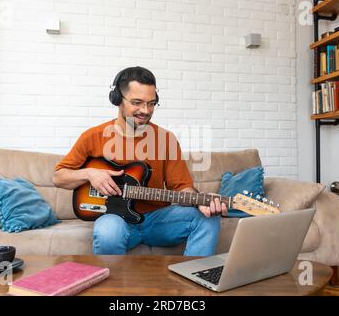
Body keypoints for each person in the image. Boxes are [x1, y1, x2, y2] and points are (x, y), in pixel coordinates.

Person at [53, 66, 227, 256]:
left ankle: (194, 278)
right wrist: (89, 173)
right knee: (108, 232)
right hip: (116, 219)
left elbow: (182, 187)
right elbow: (59, 177)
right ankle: (113, 286)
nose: (145, 110)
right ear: (118, 99)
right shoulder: (93, 136)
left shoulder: (165, 139)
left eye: (151, 103)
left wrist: (200, 201)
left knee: (208, 218)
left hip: (157, 220)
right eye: (137, 102)